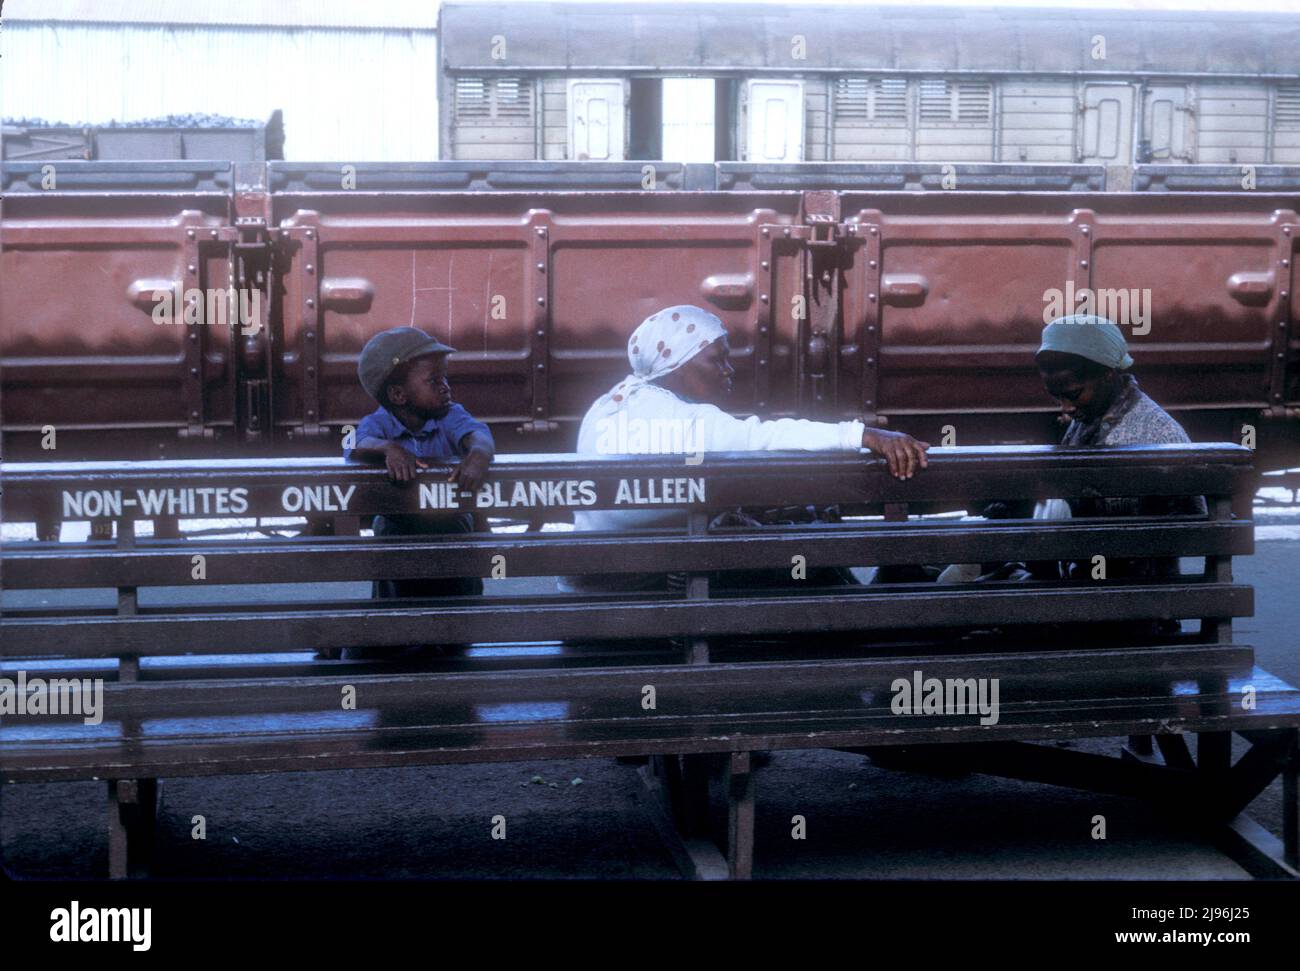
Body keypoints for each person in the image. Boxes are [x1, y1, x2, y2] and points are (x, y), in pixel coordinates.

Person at [560, 305, 930, 592]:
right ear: (677, 364)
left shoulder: (609, 404)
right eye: (717, 359)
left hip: (594, 581)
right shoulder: (684, 421)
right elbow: (764, 437)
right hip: (640, 590)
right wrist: (863, 435)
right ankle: (882, 608)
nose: (728, 370)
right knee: (798, 552)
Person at [346, 326, 495, 602]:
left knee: (460, 525)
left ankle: (457, 627)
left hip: (449, 533)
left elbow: (479, 435)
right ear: (398, 395)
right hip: (401, 538)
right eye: (434, 381)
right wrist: (388, 448)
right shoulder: (378, 424)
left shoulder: (450, 415)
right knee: (388, 531)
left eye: (445, 378)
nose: (446, 388)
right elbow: (351, 443)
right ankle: (398, 628)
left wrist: (478, 456)